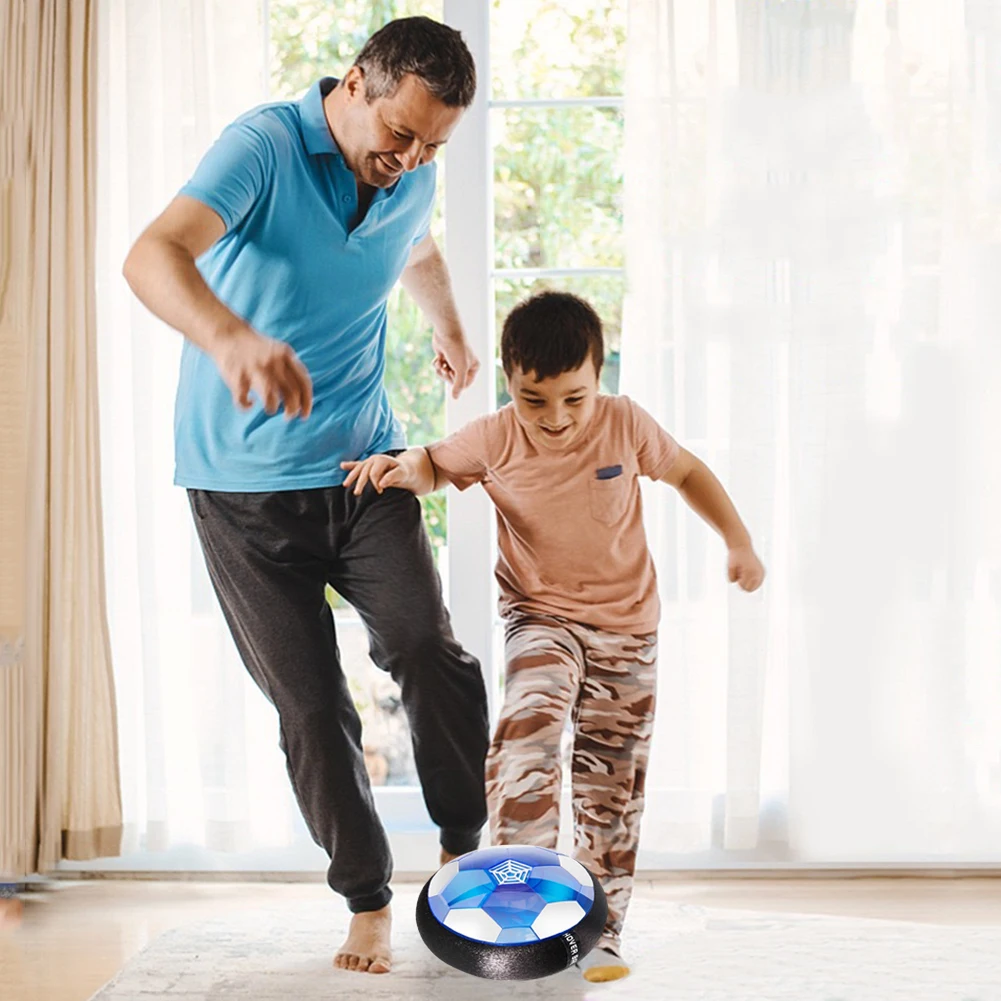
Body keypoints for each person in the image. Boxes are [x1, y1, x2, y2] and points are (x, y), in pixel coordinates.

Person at [122, 17, 490, 975]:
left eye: (432, 146)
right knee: (312, 704)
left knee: (425, 645)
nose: (411, 161)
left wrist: (449, 325)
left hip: (364, 467)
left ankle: (463, 846)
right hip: (242, 487)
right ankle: (367, 898)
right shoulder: (262, 147)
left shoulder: (409, 170)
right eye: (400, 135)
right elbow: (152, 254)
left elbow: (414, 246)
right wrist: (231, 339)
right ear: (357, 82)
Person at [341, 291, 766, 982]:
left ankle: (599, 931)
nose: (557, 417)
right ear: (509, 380)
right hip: (540, 616)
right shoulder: (496, 436)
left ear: (600, 374)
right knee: (528, 730)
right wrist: (401, 467)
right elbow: (433, 464)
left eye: (575, 398)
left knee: (611, 786)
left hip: (629, 628)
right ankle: (520, 900)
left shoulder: (625, 423)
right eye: (533, 399)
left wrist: (738, 541)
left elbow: (688, 471)